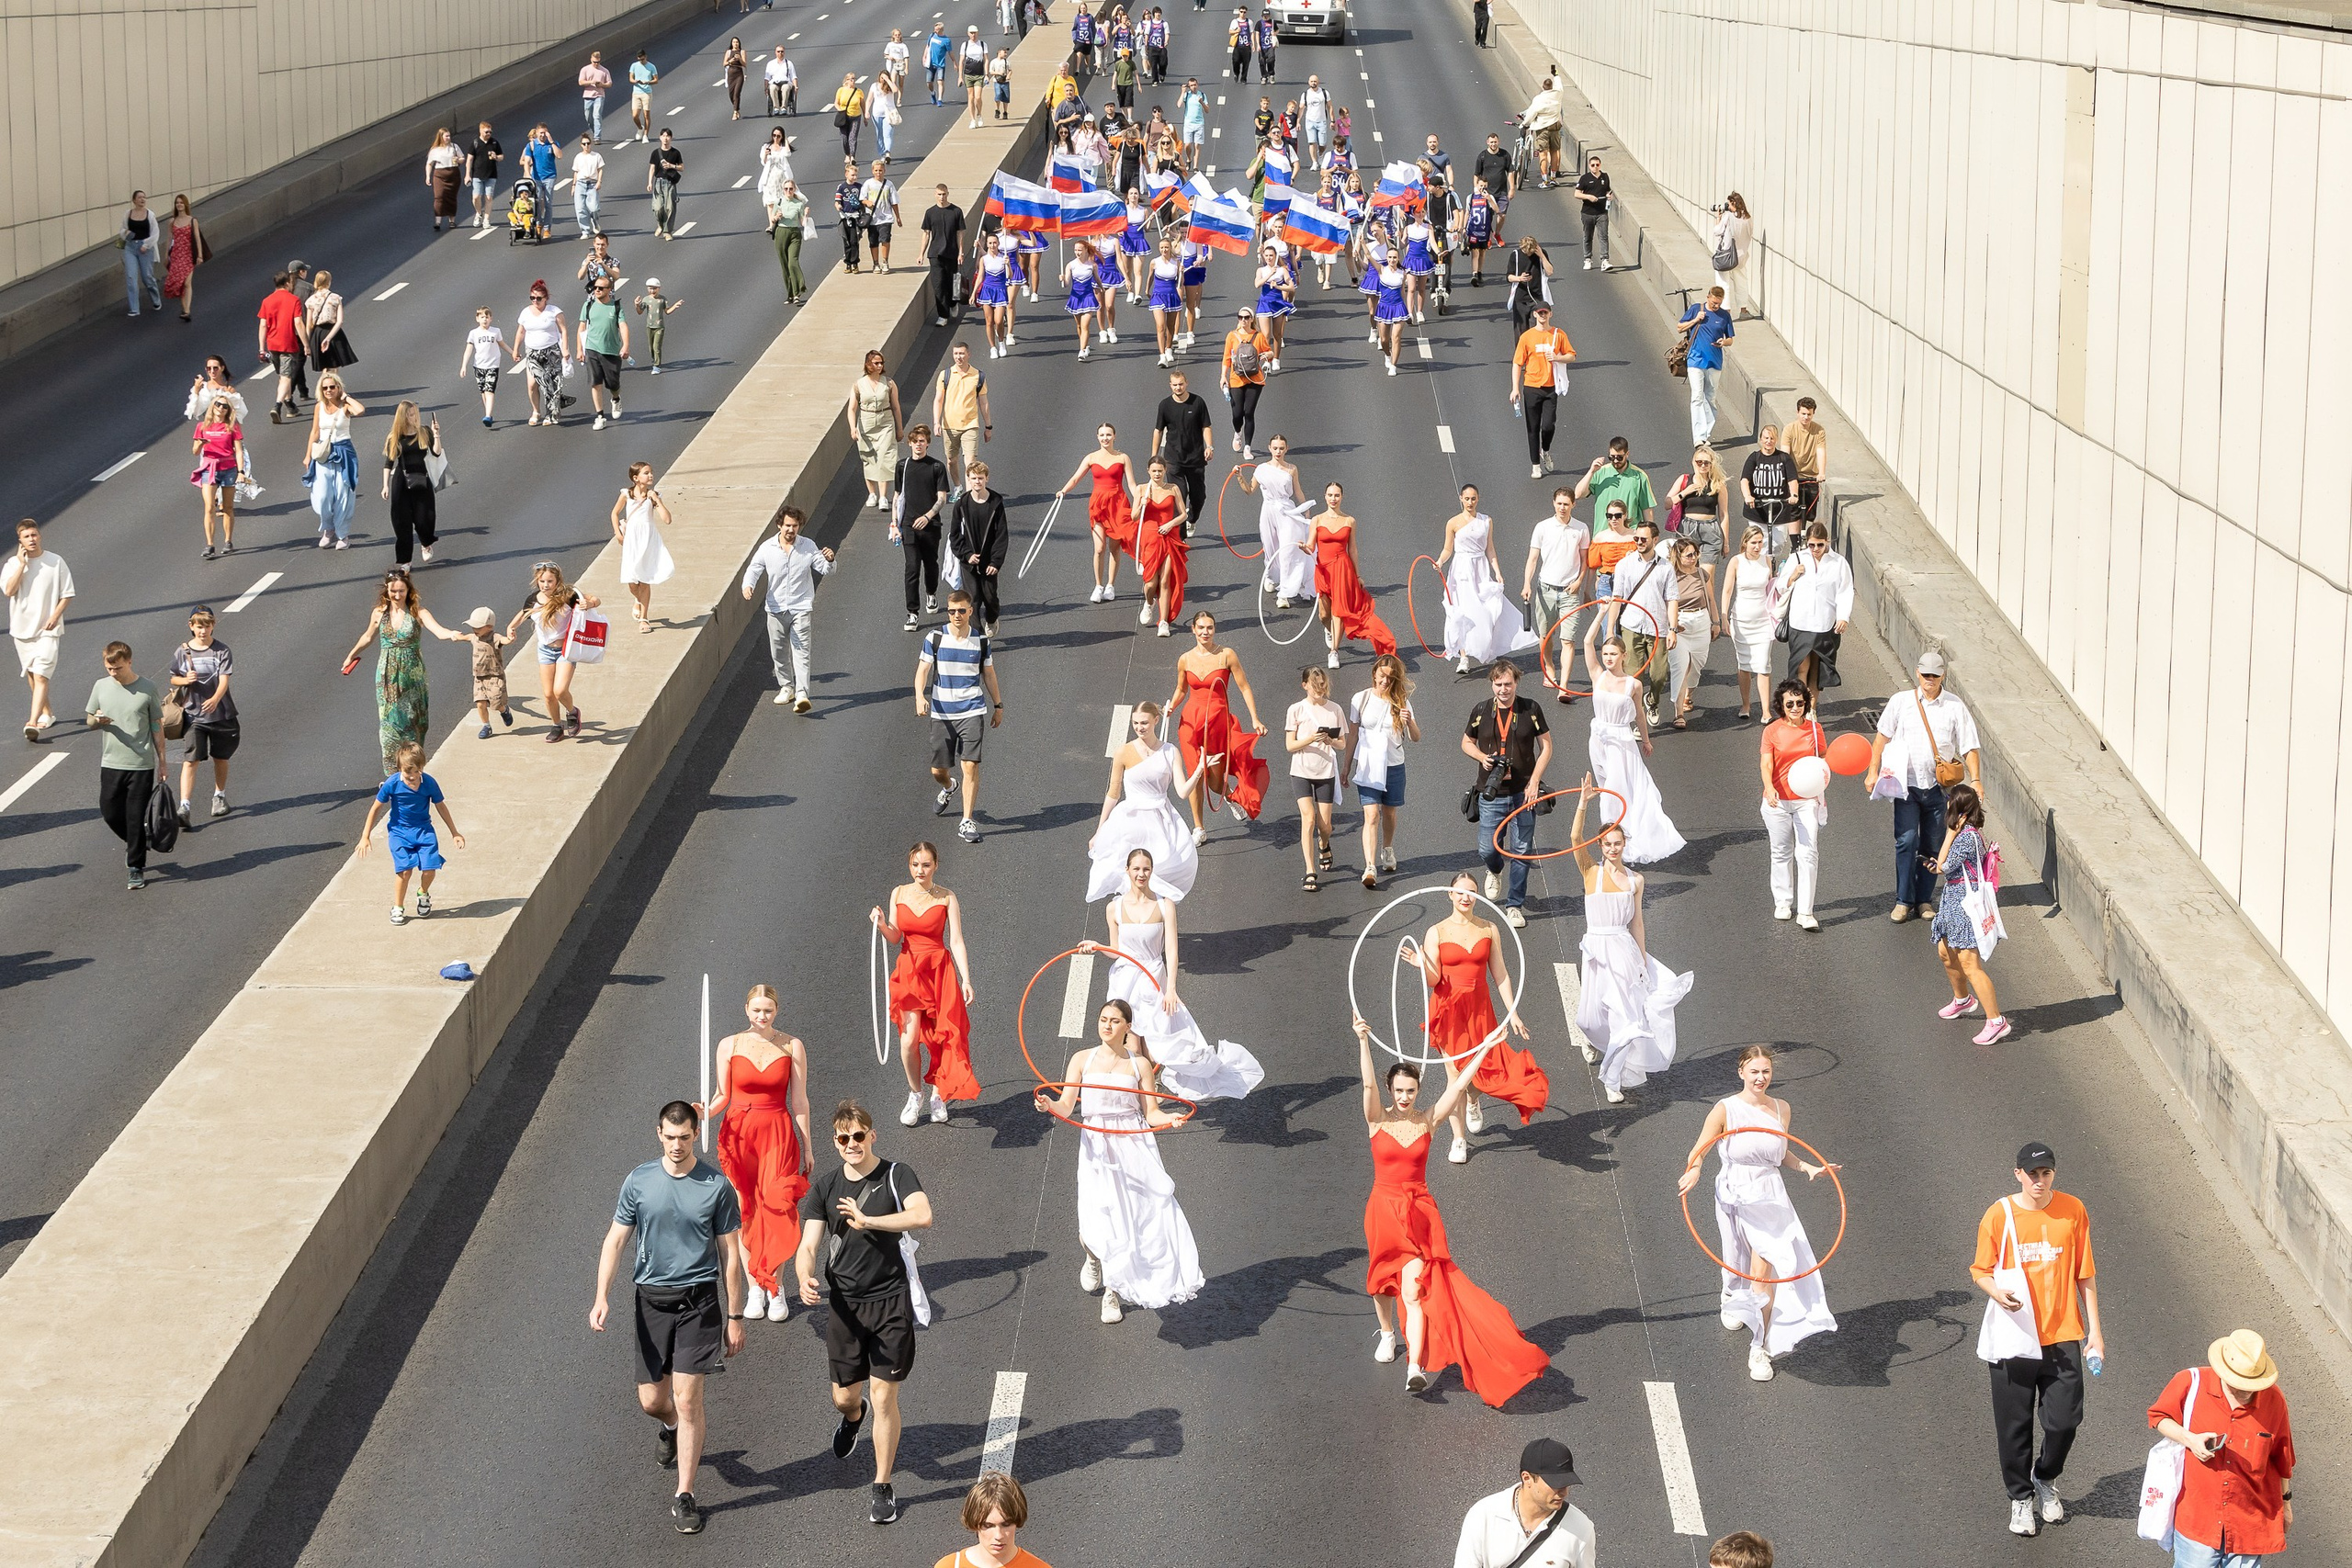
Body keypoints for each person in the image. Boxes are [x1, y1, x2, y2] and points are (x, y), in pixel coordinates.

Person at [1352, 1016, 1547, 1399]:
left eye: (1411, 1091)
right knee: (1380, 1283)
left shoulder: (1429, 1121)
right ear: (1391, 1091)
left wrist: (1487, 1045)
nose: (1405, 1097)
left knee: (1413, 1289)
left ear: (1418, 1090)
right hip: (1382, 1211)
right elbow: (1368, 1083)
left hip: (1419, 1213)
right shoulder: (1376, 1120)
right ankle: (1389, 1333)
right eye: (1399, 1091)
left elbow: (1458, 1084)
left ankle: (1414, 1367)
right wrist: (1363, 1041)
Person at [590, 1101, 746, 1537]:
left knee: (689, 1396)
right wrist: (601, 1296)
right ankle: (671, 1428)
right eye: (669, 1136)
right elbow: (616, 1240)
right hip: (650, 1303)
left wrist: (735, 1315)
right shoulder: (639, 1181)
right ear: (659, 1133)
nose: (677, 1145)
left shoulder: (716, 1185)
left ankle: (685, 1494)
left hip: (699, 1303)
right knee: (653, 1401)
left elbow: (731, 1255)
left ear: (696, 1134)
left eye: (685, 1137)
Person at [794, 1100, 932, 1525]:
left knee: (885, 1396)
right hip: (846, 1308)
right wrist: (803, 1276)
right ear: (835, 1143)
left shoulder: (896, 1174)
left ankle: (883, 1485)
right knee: (844, 1397)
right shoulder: (826, 1188)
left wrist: (871, 1221)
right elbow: (808, 1245)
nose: (851, 1144)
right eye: (843, 1138)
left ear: (872, 1135)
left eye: (858, 1135)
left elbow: (923, 1216)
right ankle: (854, 1420)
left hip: (890, 1301)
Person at [1675, 1043, 1836, 1381]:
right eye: (1754, 1072)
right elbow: (1700, 1147)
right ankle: (1731, 1291)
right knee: (1736, 1261)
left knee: (1765, 1269)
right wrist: (1695, 1169)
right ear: (1741, 1073)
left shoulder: (1782, 1108)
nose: (1761, 1078)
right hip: (1734, 1190)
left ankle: (1759, 1348)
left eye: (1766, 1072)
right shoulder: (1725, 1109)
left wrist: (1805, 1167)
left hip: (1770, 1196)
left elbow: (1779, 1153)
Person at [1035, 1000, 1200, 1325]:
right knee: (1094, 1220)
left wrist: (1171, 1119)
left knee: (1132, 1219)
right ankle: (1093, 1256)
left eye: (1114, 1021)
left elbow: (1151, 1113)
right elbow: (1067, 1106)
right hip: (1096, 1146)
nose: (1107, 1026)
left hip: (1132, 1144)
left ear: (1127, 1027)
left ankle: (1113, 1293)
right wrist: (1048, 1105)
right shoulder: (1081, 1059)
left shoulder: (1139, 1065)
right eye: (1102, 1020)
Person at [1972, 1141, 2103, 1539]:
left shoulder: (2073, 1210)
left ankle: (2046, 1476)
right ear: (2018, 1175)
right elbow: (1981, 1269)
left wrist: (2095, 1331)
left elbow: (2085, 1274)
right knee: (2014, 1425)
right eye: (2032, 1174)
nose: (2039, 1181)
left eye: (2046, 1173)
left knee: (2064, 1421)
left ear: (2053, 1174)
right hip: (2015, 1336)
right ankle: (2021, 1497)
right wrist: (1996, 1292)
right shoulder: (1999, 1215)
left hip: (2063, 1335)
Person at [1094, 850, 1263, 1100]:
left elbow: (1172, 950)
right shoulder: (1114, 908)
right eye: (1136, 869)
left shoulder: (1165, 906)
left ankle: (1148, 1088)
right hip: (1124, 977)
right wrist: (1096, 947)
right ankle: (1144, 1096)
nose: (1141, 874)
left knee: (1153, 1039)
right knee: (1131, 1036)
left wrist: (1171, 989)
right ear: (1127, 871)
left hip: (1153, 975)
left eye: (1146, 869)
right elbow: (1117, 950)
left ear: (1152, 872)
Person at [1402, 870, 1545, 1164]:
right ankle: (1458, 1140)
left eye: (1472, 892)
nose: (1467, 897)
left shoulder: (1489, 928)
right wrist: (1421, 963)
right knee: (1454, 1076)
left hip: (1480, 1010)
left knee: (1478, 1076)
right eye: (1461, 892)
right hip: (1448, 1012)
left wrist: (1513, 1013)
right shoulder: (1436, 931)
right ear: (1450, 895)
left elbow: (1501, 973)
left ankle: (1474, 1100)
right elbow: (1433, 979)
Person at [1567, 781, 1690, 1102]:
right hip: (1595, 949)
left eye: (1617, 843)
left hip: (1622, 950)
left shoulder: (1636, 880)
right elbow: (1574, 839)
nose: (1612, 849)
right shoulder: (1589, 871)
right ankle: (1600, 1043)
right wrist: (1583, 804)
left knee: (1625, 1015)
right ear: (1601, 846)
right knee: (1588, 1018)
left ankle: (1613, 1078)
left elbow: (1637, 922)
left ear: (1624, 845)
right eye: (1607, 844)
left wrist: (1642, 960)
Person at [704, 987, 808, 1326]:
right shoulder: (729, 1044)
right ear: (746, 1010)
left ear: (776, 1011)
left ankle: (774, 1285)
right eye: (756, 1010)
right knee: (745, 1208)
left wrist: (807, 1145)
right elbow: (722, 1095)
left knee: (776, 1206)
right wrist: (703, 1113)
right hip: (739, 1134)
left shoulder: (792, 1046)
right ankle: (754, 1287)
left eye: (768, 1010)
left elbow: (800, 1101)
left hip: (777, 1132)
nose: (762, 1016)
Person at [2149, 1330, 2296, 1567]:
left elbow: (2282, 1458)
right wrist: (2189, 1439)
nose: (2246, 1390)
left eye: (2251, 1384)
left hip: (2249, 1524)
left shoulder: (2274, 1400)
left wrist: (2286, 1504)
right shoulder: (2190, 1382)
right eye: (2238, 1384)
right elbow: (2158, 1417)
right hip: (2198, 1522)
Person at [873, 841, 983, 1127]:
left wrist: (966, 978)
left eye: (926, 865)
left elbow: (956, 940)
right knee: (909, 1041)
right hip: (910, 972)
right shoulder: (898, 893)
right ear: (909, 865)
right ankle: (915, 1094)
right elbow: (896, 937)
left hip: (939, 971)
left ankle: (938, 1096)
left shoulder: (947, 898)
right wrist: (883, 924)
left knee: (943, 1037)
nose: (920, 870)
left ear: (935, 866)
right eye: (915, 865)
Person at [1869, 650, 1981, 922]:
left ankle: (1924, 900)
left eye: (1935, 675)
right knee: (1906, 841)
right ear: (1917, 673)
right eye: (1926, 674)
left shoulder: (1955, 706)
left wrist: (1976, 780)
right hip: (1906, 786)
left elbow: (1970, 746)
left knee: (1932, 844)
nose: (1930, 679)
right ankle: (1903, 900)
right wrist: (1872, 772)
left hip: (1939, 789)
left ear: (1943, 676)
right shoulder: (1901, 702)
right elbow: (1882, 737)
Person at [1579, 625, 1684, 863]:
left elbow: (1639, 715)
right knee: (1605, 786)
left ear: (1624, 656)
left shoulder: (1633, 685)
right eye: (1605, 653)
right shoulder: (1597, 674)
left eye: (1613, 654)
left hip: (1620, 742)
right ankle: (1614, 841)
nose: (1608, 658)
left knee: (1612, 794)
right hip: (1597, 740)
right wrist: (1603, 612)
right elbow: (1586, 641)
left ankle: (1614, 843)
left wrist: (1646, 741)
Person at [1089, 701, 1212, 901]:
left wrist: (1199, 769)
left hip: (1161, 821)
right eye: (1135, 723)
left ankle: (1154, 921)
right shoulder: (1123, 752)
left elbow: (1182, 792)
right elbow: (1113, 794)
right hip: (1131, 821)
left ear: (1156, 720)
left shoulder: (1170, 751)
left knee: (1156, 874)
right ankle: (1130, 921)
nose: (1139, 728)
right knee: (1131, 874)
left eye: (1144, 723)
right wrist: (1099, 830)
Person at [346, 568, 464, 773]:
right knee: (389, 725)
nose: (397, 596)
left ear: (409, 590)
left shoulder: (419, 612)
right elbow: (368, 637)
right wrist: (352, 654)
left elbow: (438, 631)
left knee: (413, 722)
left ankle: (412, 770)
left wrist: (452, 634)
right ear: (387, 590)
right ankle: (392, 775)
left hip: (412, 675)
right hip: (387, 675)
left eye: (402, 591)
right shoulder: (379, 613)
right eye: (393, 591)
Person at [1460, 660, 1549, 925]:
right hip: (1491, 793)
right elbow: (1466, 742)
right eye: (1498, 684)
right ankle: (1494, 869)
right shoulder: (1481, 710)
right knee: (1488, 848)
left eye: (1508, 684)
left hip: (1524, 792)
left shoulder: (1531, 709)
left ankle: (1514, 905)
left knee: (1521, 850)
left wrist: (1535, 781)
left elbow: (1547, 746)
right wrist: (1481, 757)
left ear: (1516, 683)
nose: (1503, 689)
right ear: (1492, 684)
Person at [1169, 610, 1267, 838]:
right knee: (1195, 774)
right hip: (1191, 725)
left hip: (1218, 725)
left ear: (1214, 629)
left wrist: (1255, 718)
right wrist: (1172, 706)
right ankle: (1198, 828)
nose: (1205, 632)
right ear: (1193, 629)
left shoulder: (1226, 655)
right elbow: (1181, 689)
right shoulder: (1185, 659)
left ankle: (1230, 795)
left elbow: (1244, 687)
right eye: (1201, 628)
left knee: (1214, 783)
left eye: (1210, 628)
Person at [915, 592, 1003, 844]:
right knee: (938, 770)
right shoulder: (935, 638)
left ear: (970, 612)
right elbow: (923, 670)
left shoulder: (981, 641)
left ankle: (967, 820)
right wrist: (920, 696)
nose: (956, 616)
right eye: (952, 611)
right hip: (942, 713)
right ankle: (948, 786)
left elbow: (989, 674)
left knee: (970, 765)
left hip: (972, 711)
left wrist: (998, 705)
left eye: (962, 611)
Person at [1930, 784, 2011, 1043]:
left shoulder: (1966, 837)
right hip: (1952, 901)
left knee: (1969, 963)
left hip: (1964, 905)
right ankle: (1962, 1000)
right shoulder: (1967, 833)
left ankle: (1996, 1021)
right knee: (1946, 952)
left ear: (1959, 810)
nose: (1946, 804)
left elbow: (1942, 866)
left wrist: (1949, 834)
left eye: (1949, 801)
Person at [85, 641, 167, 890]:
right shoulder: (100, 686)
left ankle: (136, 867)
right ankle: (137, 842)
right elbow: (89, 721)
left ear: (129, 662)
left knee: (135, 817)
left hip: (141, 764)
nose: (113, 673)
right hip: (111, 762)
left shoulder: (147, 688)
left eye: (118, 668)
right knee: (109, 811)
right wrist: (98, 720)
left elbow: (156, 726)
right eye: (109, 668)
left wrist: (162, 761)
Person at [356, 739, 466, 921]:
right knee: (405, 871)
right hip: (399, 832)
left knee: (430, 869)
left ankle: (423, 894)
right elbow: (376, 808)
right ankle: (398, 907)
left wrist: (454, 832)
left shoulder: (429, 783)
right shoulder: (392, 784)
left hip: (424, 831)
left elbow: (441, 806)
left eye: (417, 770)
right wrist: (365, 836)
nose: (413, 776)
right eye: (408, 771)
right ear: (400, 768)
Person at [742, 507, 833, 711]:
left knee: (801, 652)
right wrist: (748, 585)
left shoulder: (807, 546)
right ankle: (787, 687)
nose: (791, 530)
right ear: (779, 525)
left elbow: (824, 569)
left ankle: (802, 693)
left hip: (800, 608)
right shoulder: (767, 548)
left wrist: (830, 560)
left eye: (795, 526)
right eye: (787, 526)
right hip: (775, 609)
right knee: (779, 652)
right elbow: (754, 568)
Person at [1436, 483, 1534, 674]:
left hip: (1479, 568)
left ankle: (1487, 646)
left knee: (1487, 609)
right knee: (1461, 612)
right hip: (1461, 571)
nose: (1470, 502)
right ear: (1461, 499)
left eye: (1473, 498)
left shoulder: (1486, 521)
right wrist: (1440, 562)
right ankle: (1463, 657)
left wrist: (1496, 571)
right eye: (1467, 499)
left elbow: (1490, 549)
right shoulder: (1453, 523)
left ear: (1478, 499)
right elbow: (1448, 549)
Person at [1453, 1438, 1596, 1568]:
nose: (1564, 1492)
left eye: (1566, 1484)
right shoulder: (1484, 1516)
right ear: (1527, 1478)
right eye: (1555, 1484)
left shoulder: (1581, 1528)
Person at [1758, 680, 1826, 928]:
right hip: (1777, 801)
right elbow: (1767, 764)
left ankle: (1806, 912)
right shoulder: (1772, 731)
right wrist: (1769, 787)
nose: (1796, 707)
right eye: (1790, 703)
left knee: (1808, 853)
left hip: (1807, 801)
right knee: (1781, 852)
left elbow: (1822, 761)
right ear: (1781, 705)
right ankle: (1783, 902)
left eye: (1800, 703)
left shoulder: (1816, 730)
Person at [507, 560, 599, 740]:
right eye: (542, 581)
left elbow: (595, 599)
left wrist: (589, 604)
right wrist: (511, 627)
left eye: (550, 581)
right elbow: (523, 613)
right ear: (537, 581)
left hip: (566, 649)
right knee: (548, 694)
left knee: (560, 691)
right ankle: (557, 725)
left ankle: (572, 713)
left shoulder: (568, 595)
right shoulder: (534, 599)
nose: (545, 585)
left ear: (557, 581)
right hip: (545, 650)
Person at [1310, 481, 1398, 671]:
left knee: (1338, 612)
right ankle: (1330, 631)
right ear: (1324, 497)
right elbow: (1311, 546)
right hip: (1323, 571)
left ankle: (1334, 652)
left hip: (1342, 569)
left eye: (1337, 495)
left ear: (1342, 497)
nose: (1333, 499)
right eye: (1330, 495)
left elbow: (1353, 549)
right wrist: (1303, 548)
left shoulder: (1349, 521)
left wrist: (1357, 576)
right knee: (1323, 614)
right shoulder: (1317, 520)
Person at [164, 607, 237, 820]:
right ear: (191, 626)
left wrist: (215, 700)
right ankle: (184, 807)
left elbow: (224, 679)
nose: (203, 631)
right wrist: (185, 680)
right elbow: (173, 678)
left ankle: (219, 796)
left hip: (222, 714)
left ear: (213, 625)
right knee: (191, 760)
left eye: (207, 626)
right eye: (199, 626)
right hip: (194, 715)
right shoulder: (183, 651)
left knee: (221, 758)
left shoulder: (222, 651)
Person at [1056, 423, 1139, 604]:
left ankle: (1110, 585)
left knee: (1114, 548)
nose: (1105, 438)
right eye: (1102, 435)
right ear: (1097, 437)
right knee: (1099, 548)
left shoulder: (1123, 458)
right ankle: (1098, 585)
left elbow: (1132, 484)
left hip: (1118, 505)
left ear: (1115, 436)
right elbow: (1076, 477)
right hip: (1098, 505)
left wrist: (1139, 502)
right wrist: (1063, 491)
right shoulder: (1091, 458)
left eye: (1108, 435)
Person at [1520, 487, 1588, 706]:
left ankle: (1564, 686)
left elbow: (1585, 561)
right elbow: (1533, 559)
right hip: (1545, 589)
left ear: (1573, 505)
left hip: (1570, 592)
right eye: (1559, 503)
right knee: (1546, 635)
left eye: (1566, 504)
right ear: (1553, 503)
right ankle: (1549, 667)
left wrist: (1579, 582)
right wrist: (1527, 584)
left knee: (1568, 640)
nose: (1562, 507)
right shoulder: (1542, 527)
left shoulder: (1581, 529)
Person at [5, 520, 72, 742]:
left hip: (48, 629)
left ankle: (32, 723)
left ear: (39, 536)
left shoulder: (55, 561)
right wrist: (22, 566)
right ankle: (47, 713)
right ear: (20, 541)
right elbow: (9, 591)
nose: (31, 539)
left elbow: (67, 593)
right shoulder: (12, 565)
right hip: (22, 630)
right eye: (26, 537)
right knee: (33, 675)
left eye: (34, 535)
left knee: (41, 675)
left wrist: (54, 616)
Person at [1771, 522, 1852, 700]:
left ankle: (1812, 710)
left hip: (1825, 624)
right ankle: (1803, 705)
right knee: (1801, 666)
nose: (1816, 549)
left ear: (1827, 542)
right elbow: (1780, 586)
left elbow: (1845, 591)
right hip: (1800, 623)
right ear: (1806, 542)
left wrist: (1843, 617)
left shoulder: (1839, 562)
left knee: (1817, 670)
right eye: (1812, 545)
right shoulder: (1797, 558)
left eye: (1820, 545)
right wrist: (1792, 576)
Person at [1286, 665, 1347, 889]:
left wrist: (1331, 741)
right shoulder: (1295, 710)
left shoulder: (1335, 709)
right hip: (1301, 771)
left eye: (1322, 686)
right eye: (1314, 687)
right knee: (1308, 818)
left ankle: (1324, 842)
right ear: (1304, 686)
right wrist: (1310, 738)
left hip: (1325, 771)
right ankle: (1310, 870)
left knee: (1326, 824)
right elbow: (1290, 746)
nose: (1319, 690)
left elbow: (1342, 743)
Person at [1608, 522, 1674, 728]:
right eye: (1636, 538)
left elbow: (1672, 599)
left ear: (1655, 540)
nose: (1639, 542)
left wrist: (1672, 629)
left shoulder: (1666, 567)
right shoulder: (1624, 565)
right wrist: (1610, 630)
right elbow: (1617, 598)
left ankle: (1652, 700)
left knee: (1659, 675)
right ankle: (1637, 720)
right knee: (1633, 677)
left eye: (1643, 539)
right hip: (1632, 626)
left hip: (1658, 628)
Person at [1234, 434, 1313, 606]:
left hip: (1287, 512)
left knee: (1286, 552)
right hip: (1268, 511)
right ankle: (1271, 576)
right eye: (1275, 448)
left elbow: (1297, 491)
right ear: (1269, 448)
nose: (1278, 451)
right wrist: (1240, 476)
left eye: (1281, 448)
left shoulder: (1292, 469)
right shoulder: (1261, 469)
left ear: (1286, 449)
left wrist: (1306, 510)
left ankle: (1283, 593)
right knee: (1270, 550)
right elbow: (1249, 490)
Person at [894, 425, 952, 631]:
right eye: (915, 441)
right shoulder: (903, 466)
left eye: (922, 441)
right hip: (908, 526)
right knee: (911, 568)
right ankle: (912, 613)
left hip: (930, 526)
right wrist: (894, 524)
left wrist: (927, 517)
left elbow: (942, 498)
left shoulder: (936, 467)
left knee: (931, 563)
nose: (918, 445)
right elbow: (898, 497)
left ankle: (931, 593)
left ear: (927, 443)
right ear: (909, 443)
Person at [302, 372, 364, 548]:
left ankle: (343, 535)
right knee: (322, 495)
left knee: (343, 495)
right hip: (324, 452)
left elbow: (360, 410)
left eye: (332, 387)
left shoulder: (346, 406)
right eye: (325, 387)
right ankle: (328, 529)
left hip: (344, 451)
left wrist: (346, 397)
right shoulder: (319, 407)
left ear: (338, 388)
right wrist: (308, 455)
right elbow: (314, 431)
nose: (328, 390)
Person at [1720, 525, 1776, 719]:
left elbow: (1772, 589)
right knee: (1744, 664)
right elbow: (1727, 590)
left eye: (1760, 542)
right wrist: (1724, 617)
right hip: (1741, 621)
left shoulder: (1767, 560)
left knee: (1763, 665)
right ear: (1745, 543)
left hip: (1763, 621)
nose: (1758, 547)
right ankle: (1746, 705)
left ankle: (1766, 710)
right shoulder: (1736, 562)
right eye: (1753, 542)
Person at [614, 463, 676, 631]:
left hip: (648, 540)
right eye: (646, 473)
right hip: (632, 542)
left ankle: (644, 618)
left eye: (651, 473)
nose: (650, 476)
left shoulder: (653, 496)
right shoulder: (627, 494)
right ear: (636, 478)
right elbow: (614, 513)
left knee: (644, 580)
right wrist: (618, 534)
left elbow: (667, 519)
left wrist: (656, 500)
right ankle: (638, 600)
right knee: (632, 583)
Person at [1151, 370, 1214, 537]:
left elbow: (1206, 426)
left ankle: (1191, 519)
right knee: (1179, 498)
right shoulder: (1165, 405)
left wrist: (1209, 446)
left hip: (1196, 459)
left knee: (1199, 497)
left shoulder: (1198, 402)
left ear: (1186, 383)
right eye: (1175, 385)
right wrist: (1154, 457)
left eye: (1181, 384)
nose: (1178, 387)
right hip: (1174, 460)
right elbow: (1158, 430)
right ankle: (1181, 538)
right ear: (1170, 385)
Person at [1133, 457, 1191, 635]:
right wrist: (1142, 504)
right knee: (1151, 583)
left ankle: (1163, 622)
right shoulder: (1141, 489)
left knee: (1165, 580)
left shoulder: (1172, 489)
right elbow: (1134, 517)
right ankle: (1149, 603)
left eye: (1160, 470)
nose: (1157, 474)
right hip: (1149, 538)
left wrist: (1171, 524)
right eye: (1154, 471)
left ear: (1165, 470)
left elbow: (1183, 515)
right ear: (1148, 471)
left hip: (1168, 536)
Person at [950, 462, 1010, 634]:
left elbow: (1001, 535)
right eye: (974, 478)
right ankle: (978, 636)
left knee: (990, 597)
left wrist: (996, 562)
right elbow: (954, 535)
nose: (977, 482)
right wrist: (966, 555)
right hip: (968, 562)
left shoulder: (996, 502)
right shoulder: (961, 504)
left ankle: (991, 620)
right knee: (972, 599)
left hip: (989, 562)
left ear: (987, 479)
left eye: (981, 478)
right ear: (968, 479)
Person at [1664, 539, 1718, 727]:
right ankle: (1678, 713)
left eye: (1696, 554)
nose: (1694, 558)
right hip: (1679, 624)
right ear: (1678, 556)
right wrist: (1671, 625)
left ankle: (1689, 693)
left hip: (1701, 621)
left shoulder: (1702, 574)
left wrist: (1716, 622)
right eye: (1689, 555)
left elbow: (1711, 599)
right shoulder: (1670, 576)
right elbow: (1665, 603)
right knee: (1680, 667)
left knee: (1696, 666)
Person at [943, 1473, 1050, 1568]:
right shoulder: (950, 1566)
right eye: (988, 1525)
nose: (998, 1536)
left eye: (1006, 1524)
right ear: (974, 1523)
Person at [1676, 286, 1736, 443]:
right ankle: (1699, 437)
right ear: (1708, 297)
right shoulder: (1697, 309)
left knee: (1710, 398)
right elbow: (1680, 327)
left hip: (1714, 362)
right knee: (1697, 397)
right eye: (1714, 302)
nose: (1716, 306)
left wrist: (1724, 342)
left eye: (1719, 303)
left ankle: (1706, 433)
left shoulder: (1724, 316)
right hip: (1695, 360)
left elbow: (1730, 339)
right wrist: (1696, 320)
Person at [188, 394, 245, 558]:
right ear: (213, 406)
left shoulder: (232, 426)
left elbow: (239, 451)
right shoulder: (202, 426)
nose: (221, 408)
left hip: (228, 468)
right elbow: (195, 451)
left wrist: (241, 472)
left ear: (228, 411)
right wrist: (200, 443)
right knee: (209, 507)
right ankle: (210, 544)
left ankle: (228, 541)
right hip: (209, 468)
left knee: (227, 507)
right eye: (218, 405)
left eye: (225, 406)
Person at [848, 349, 905, 510]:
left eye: (881, 363)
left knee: (884, 458)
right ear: (868, 364)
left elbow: (896, 407)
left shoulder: (889, 383)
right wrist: (853, 428)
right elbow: (852, 408)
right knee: (869, 458)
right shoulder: (858, 385)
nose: (880, 366)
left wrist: (899, 429)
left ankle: (883, 497)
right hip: (866, 423)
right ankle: (871, 493)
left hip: (885, 422)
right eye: (876, 363)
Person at [932, 342, 990, 494]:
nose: (959, 357)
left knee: (970, 462)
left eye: (962, 353)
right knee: (952, 460)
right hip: (949, 426)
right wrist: (936, 422)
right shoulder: (945, 375)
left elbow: (983, 402)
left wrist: (988, 426)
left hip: (970, 425)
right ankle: (958, 486)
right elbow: (938, 400)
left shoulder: (978, 376)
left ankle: (968, 498)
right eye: (956, 354)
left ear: (968, 354)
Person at [509, 281, 571, 426]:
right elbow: (521, 331)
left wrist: (565, 349)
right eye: (532, 298)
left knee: (551, 384)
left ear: (546, 298)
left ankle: (551, 412)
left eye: (538, 298)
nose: (535, 301)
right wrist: (515, 349)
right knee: (532, 384)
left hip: (551, 351)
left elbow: (564, 330)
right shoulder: (525, 312)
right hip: (532, 352)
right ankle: (536, 411)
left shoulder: (554, 311)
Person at [576, 276, 629, 430]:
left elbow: (623, 326)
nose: (597, 290)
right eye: (595, 287)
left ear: (609, 290)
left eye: (601, 288)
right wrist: (580, 349)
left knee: (613, 383)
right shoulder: (588, 305)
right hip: (592, 349)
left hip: (611, 351)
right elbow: (581, 327)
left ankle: (616, 398)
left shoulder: (616, 306)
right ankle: (600, 416)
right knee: (595, 382)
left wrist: (625, 345)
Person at [1668, 444, 1733, 571]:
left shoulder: (1718, 485)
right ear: (1694, 462)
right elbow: (1668, 503)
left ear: (1711, 464)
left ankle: (1708, 592)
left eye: (1706, 463)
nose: (1703, 466)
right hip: (1687, 529)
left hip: (1710, 530)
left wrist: (1726, 543)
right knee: (1686, 572)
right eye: (1699, 462)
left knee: (1706, 575)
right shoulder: (1685, 479)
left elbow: (1723, 514)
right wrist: (1685, 492)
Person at [256, 272, 310, 423]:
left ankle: (290, 405)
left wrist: (262, 348)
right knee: (286, 376)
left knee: (282, 375)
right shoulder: (294, 300)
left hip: (272, 344)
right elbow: (298, 323)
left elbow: (262, 325)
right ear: (287, 283)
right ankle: (278, 405)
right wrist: (306, 344)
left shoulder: (267, 301)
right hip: (288, 343)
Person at [1739, 424, 1798, 555]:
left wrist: (1794, 494)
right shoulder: (1754, 458)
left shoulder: (1784, 458)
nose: (1769, 441)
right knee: (1760, 543)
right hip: (1758, 509)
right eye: (1766, 438)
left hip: (1780, 509)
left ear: (1776, 440)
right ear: (1761, 439)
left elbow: (1792, 479)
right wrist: (1747, 496)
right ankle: (1763, 569)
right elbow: (1744, 480)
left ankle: (1772, 565)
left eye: (1772, 438)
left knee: (1778, 542)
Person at [1222, 307, 1272, 457]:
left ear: (1252, 319)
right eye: (1240, 317)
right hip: (1236, 379)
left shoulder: (1258, 336)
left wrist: (1267, 355)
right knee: (1237, 414)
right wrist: (1223, 376)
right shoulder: (1232, 336)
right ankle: (1238, 432)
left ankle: (1248, 447)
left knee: (1249, 412)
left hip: (1254, 379)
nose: (1243, 320)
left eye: (1246, 317)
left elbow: (1269, 352)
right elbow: (1226, 358)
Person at [461, 606, 513, 739]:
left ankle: (504, 710)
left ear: (489, 626)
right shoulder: (474, 637)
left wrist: (510, 639)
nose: (474, 630)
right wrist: (456, 636)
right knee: (480, 703)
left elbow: (503, 641)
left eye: (478, 627)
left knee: (496, 704)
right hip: (479, 677)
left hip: (494, 677)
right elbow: (467, 637)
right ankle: (486, 726)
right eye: (473, 627)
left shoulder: (495, 637)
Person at [921, 185, 967, 326]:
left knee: (952, 283)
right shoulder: (930, 212)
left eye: (944, 194)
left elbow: (960, 233)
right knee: (938, 285)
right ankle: (942, 315)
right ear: (935, 194)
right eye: (939, 194)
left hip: (951, 253)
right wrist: (921, 254)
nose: (942, 197)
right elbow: (926, 233)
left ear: (948, 194)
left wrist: (960, 252)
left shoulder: (956, 211)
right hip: (935, 254)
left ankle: (953, 303)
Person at [457, 305, 507, 426]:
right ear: (477, 319)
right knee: (483, 392)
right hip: (479, 366)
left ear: (491, 319)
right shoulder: (473, 333)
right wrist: (464, 366)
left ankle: (488, 415)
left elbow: (502, 344)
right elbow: (468, 350)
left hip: (493, 365)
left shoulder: (496, 331)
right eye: (482, 317)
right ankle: (487, 413)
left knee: (489, 390)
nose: (485, 319)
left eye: (487, 317)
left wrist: (513, 353)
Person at [161, 194, 206, 321]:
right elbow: (169, 239)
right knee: (179, 282)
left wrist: (200, 255)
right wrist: (166, 255)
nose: (179, 205)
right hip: (176, 255)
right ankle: (184, 308)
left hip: (188, 254)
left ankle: (187, 310)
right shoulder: (172, 222)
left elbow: (197, 238)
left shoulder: (192, 220)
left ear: (185, 204)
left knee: (187, 282)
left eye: (181, 202)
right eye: (177, 203)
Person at [119, 191, 164, 316]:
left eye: (144, 197)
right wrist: (125, 233)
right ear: (134, 200)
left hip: (145, 249)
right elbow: (122, 229)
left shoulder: (150, 215)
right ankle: (134, 309)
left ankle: (156, 300)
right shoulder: (128, 214)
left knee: (147, 277)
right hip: (130, 247)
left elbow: (155, 233)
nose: (143, 199)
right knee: (131, 277)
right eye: (140, 197)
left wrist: (146, 245)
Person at [1785, 396, 1828, 525]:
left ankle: (1806, 540)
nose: (1806, 417)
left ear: (1813, 413)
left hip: (1811, 477)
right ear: (1797, 412)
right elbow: (1785, 454)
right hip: (1794, 477)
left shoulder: (1819, 430)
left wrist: (1821, 472)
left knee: (1810, 515)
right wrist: (1787, 474)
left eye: (1809, 414)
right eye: (1803, 413)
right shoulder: (1789, 429)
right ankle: (1794, 543)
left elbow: (1820, 451)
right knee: (1794, 514)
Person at [1712, 193, 1755, 314]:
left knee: (1723, 283)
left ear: (1734, 203)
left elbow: (1717, 231)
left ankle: (1726, 311)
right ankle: (1743, 310)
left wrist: (1718, 217)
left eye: (1729, 204)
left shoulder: (1729, 217)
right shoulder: (1748, 218)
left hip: (1727, 255)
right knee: (1741, 282)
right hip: (1741, 257)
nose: (1728, 207)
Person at [1504, 236, 1555, 337]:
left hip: (1536, 298)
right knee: (1521, 333)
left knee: (1536, 330)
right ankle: (1521, 352)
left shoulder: (1541, 254)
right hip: (1520, 298)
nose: (1528, 255)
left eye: (1531, 253)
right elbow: (1509, 277)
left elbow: (1550, 272)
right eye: (1526, 252)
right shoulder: (1515, 255)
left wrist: (1542, 256)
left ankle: (1534, 352)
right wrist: (1520, 278)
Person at [632, 277, 681, 374]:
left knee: (656, 346)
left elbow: (667, 311)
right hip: (649, 326)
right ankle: (654, 360)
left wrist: (675, 306)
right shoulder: (646, 299)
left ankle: (657, 366)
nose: (652, 290)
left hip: (659, 327)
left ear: (659, 288)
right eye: (650, 288)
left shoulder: (662, 299)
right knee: (651, 347)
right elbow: (639, 312)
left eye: (655, 288)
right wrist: (637, 305)